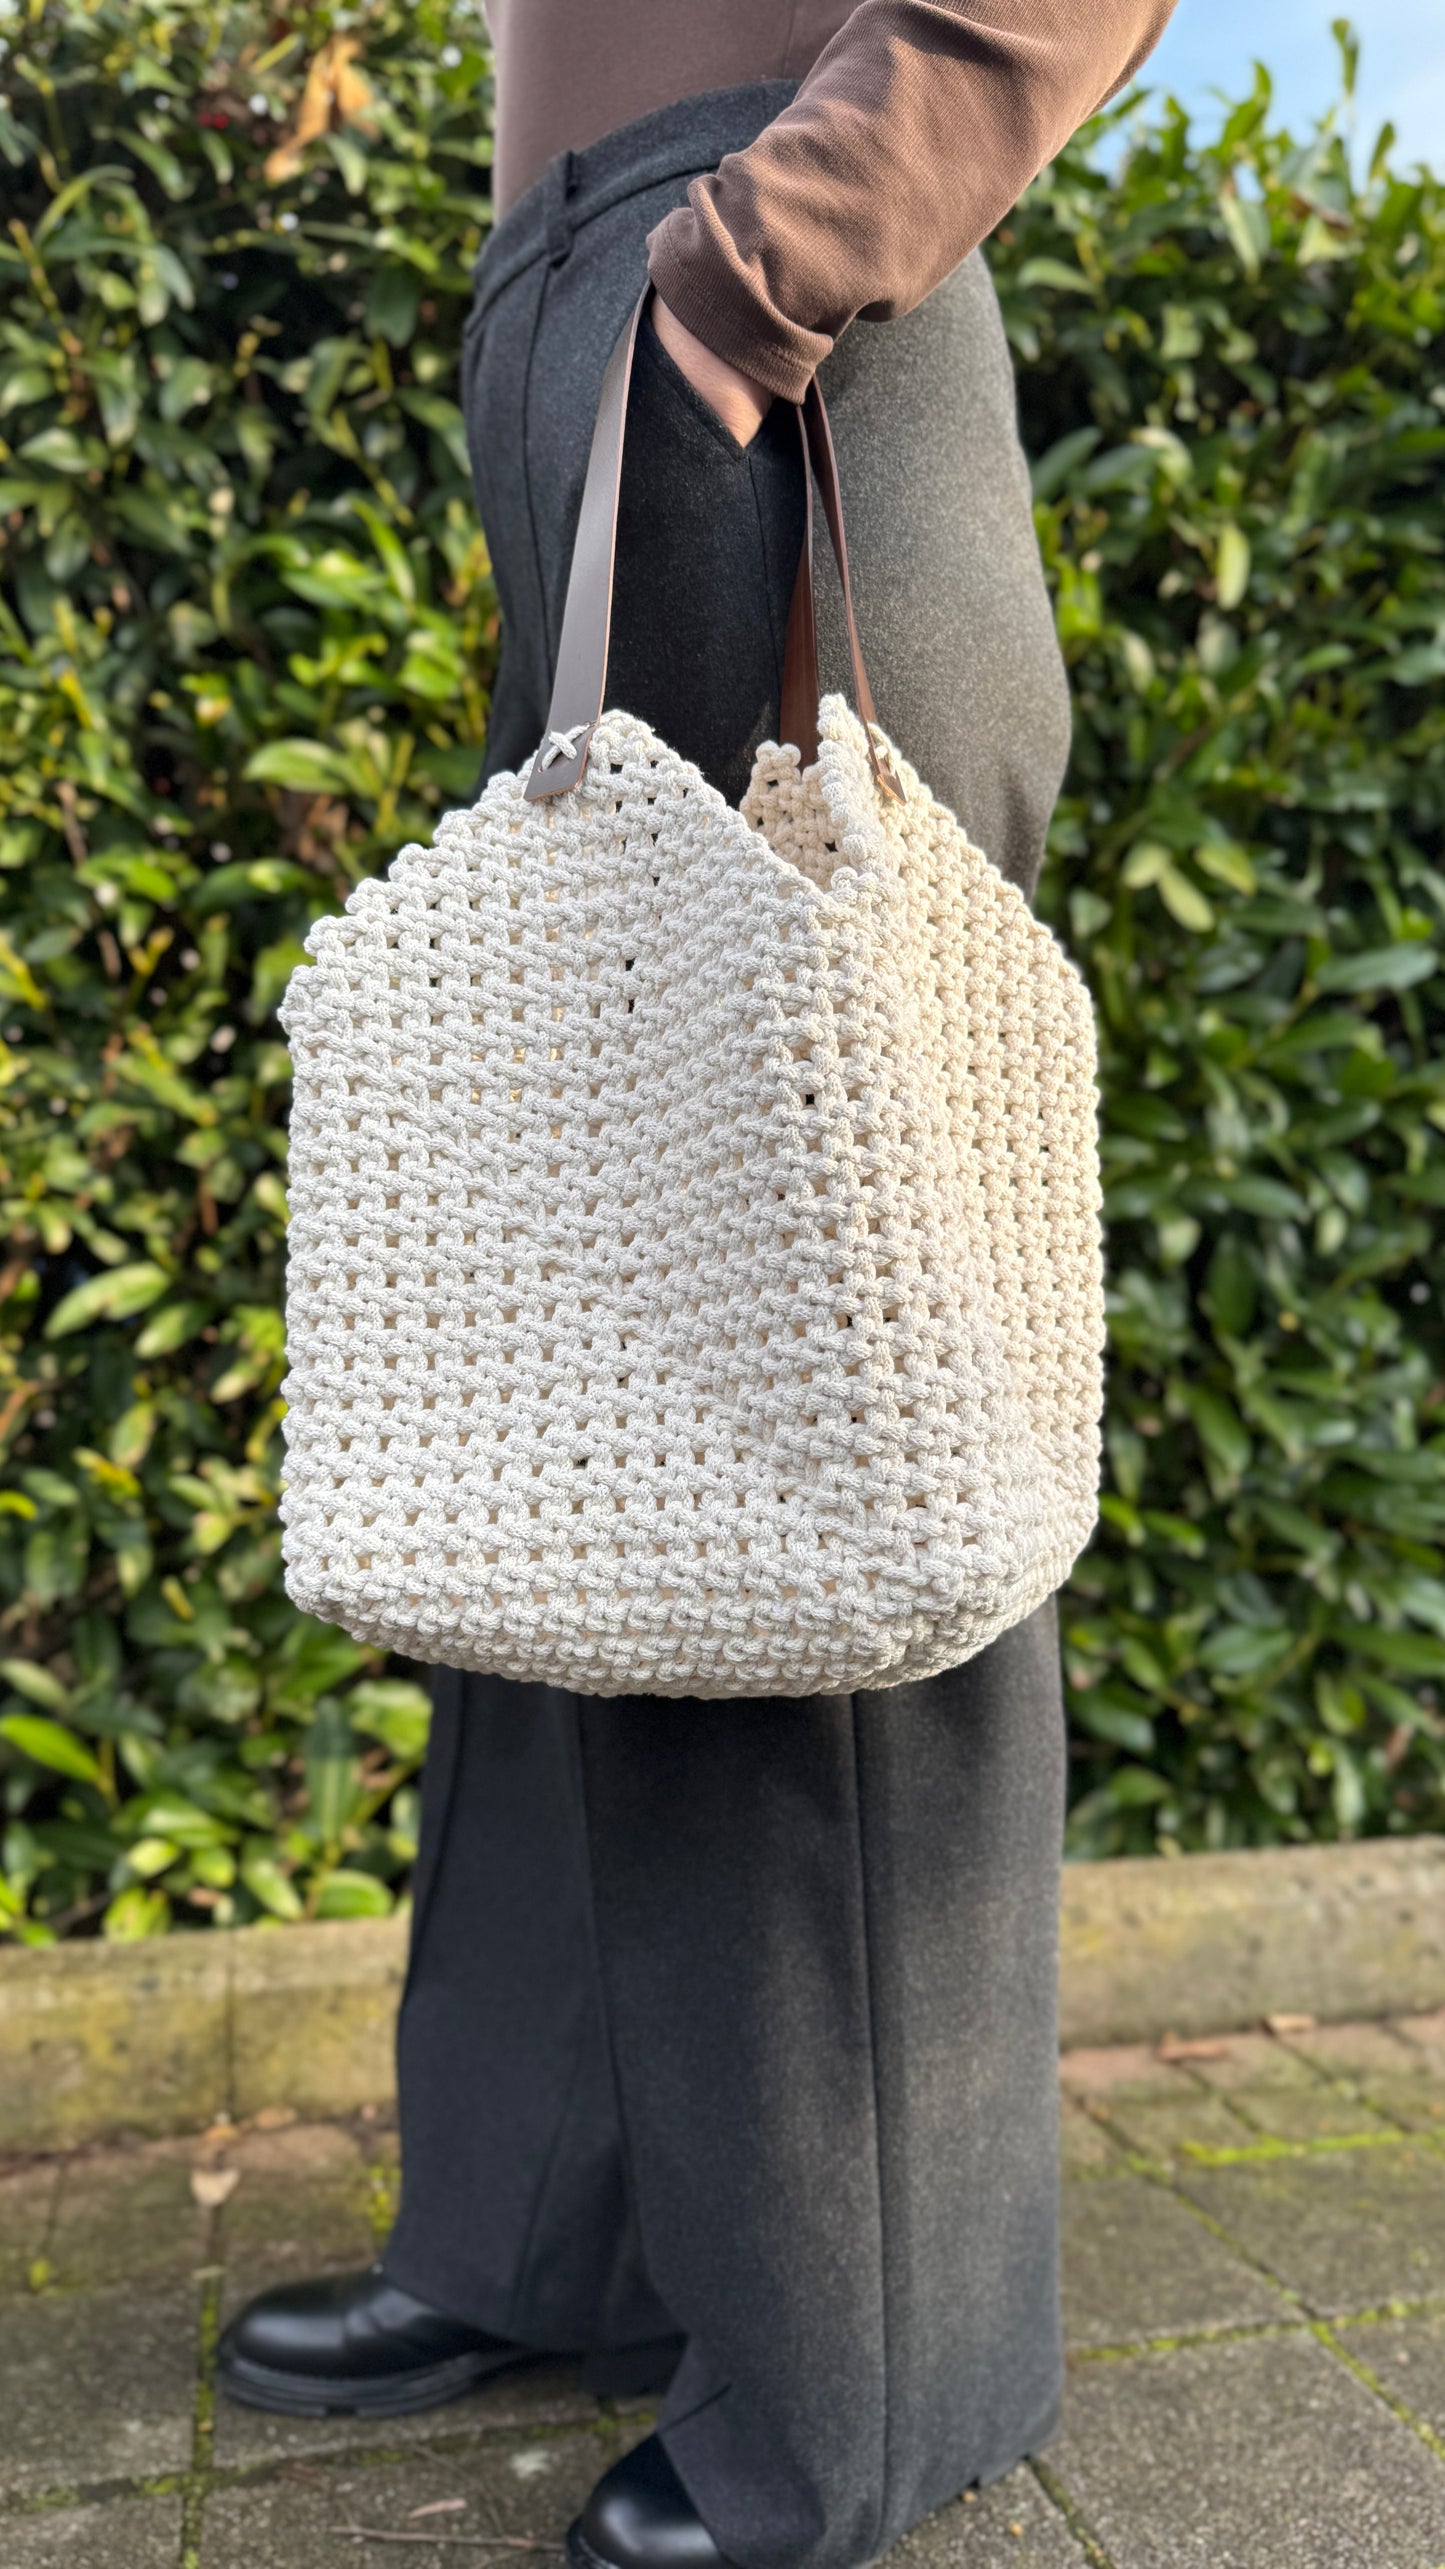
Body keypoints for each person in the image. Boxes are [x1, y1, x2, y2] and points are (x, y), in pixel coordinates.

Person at [219, 8, 1176, 2567]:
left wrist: (761, 265)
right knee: (574, 1386)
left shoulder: (761, 278)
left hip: (779, 312)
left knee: (827, 1398)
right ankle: (553, 2226)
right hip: (608, 318)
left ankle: (866, 2382)